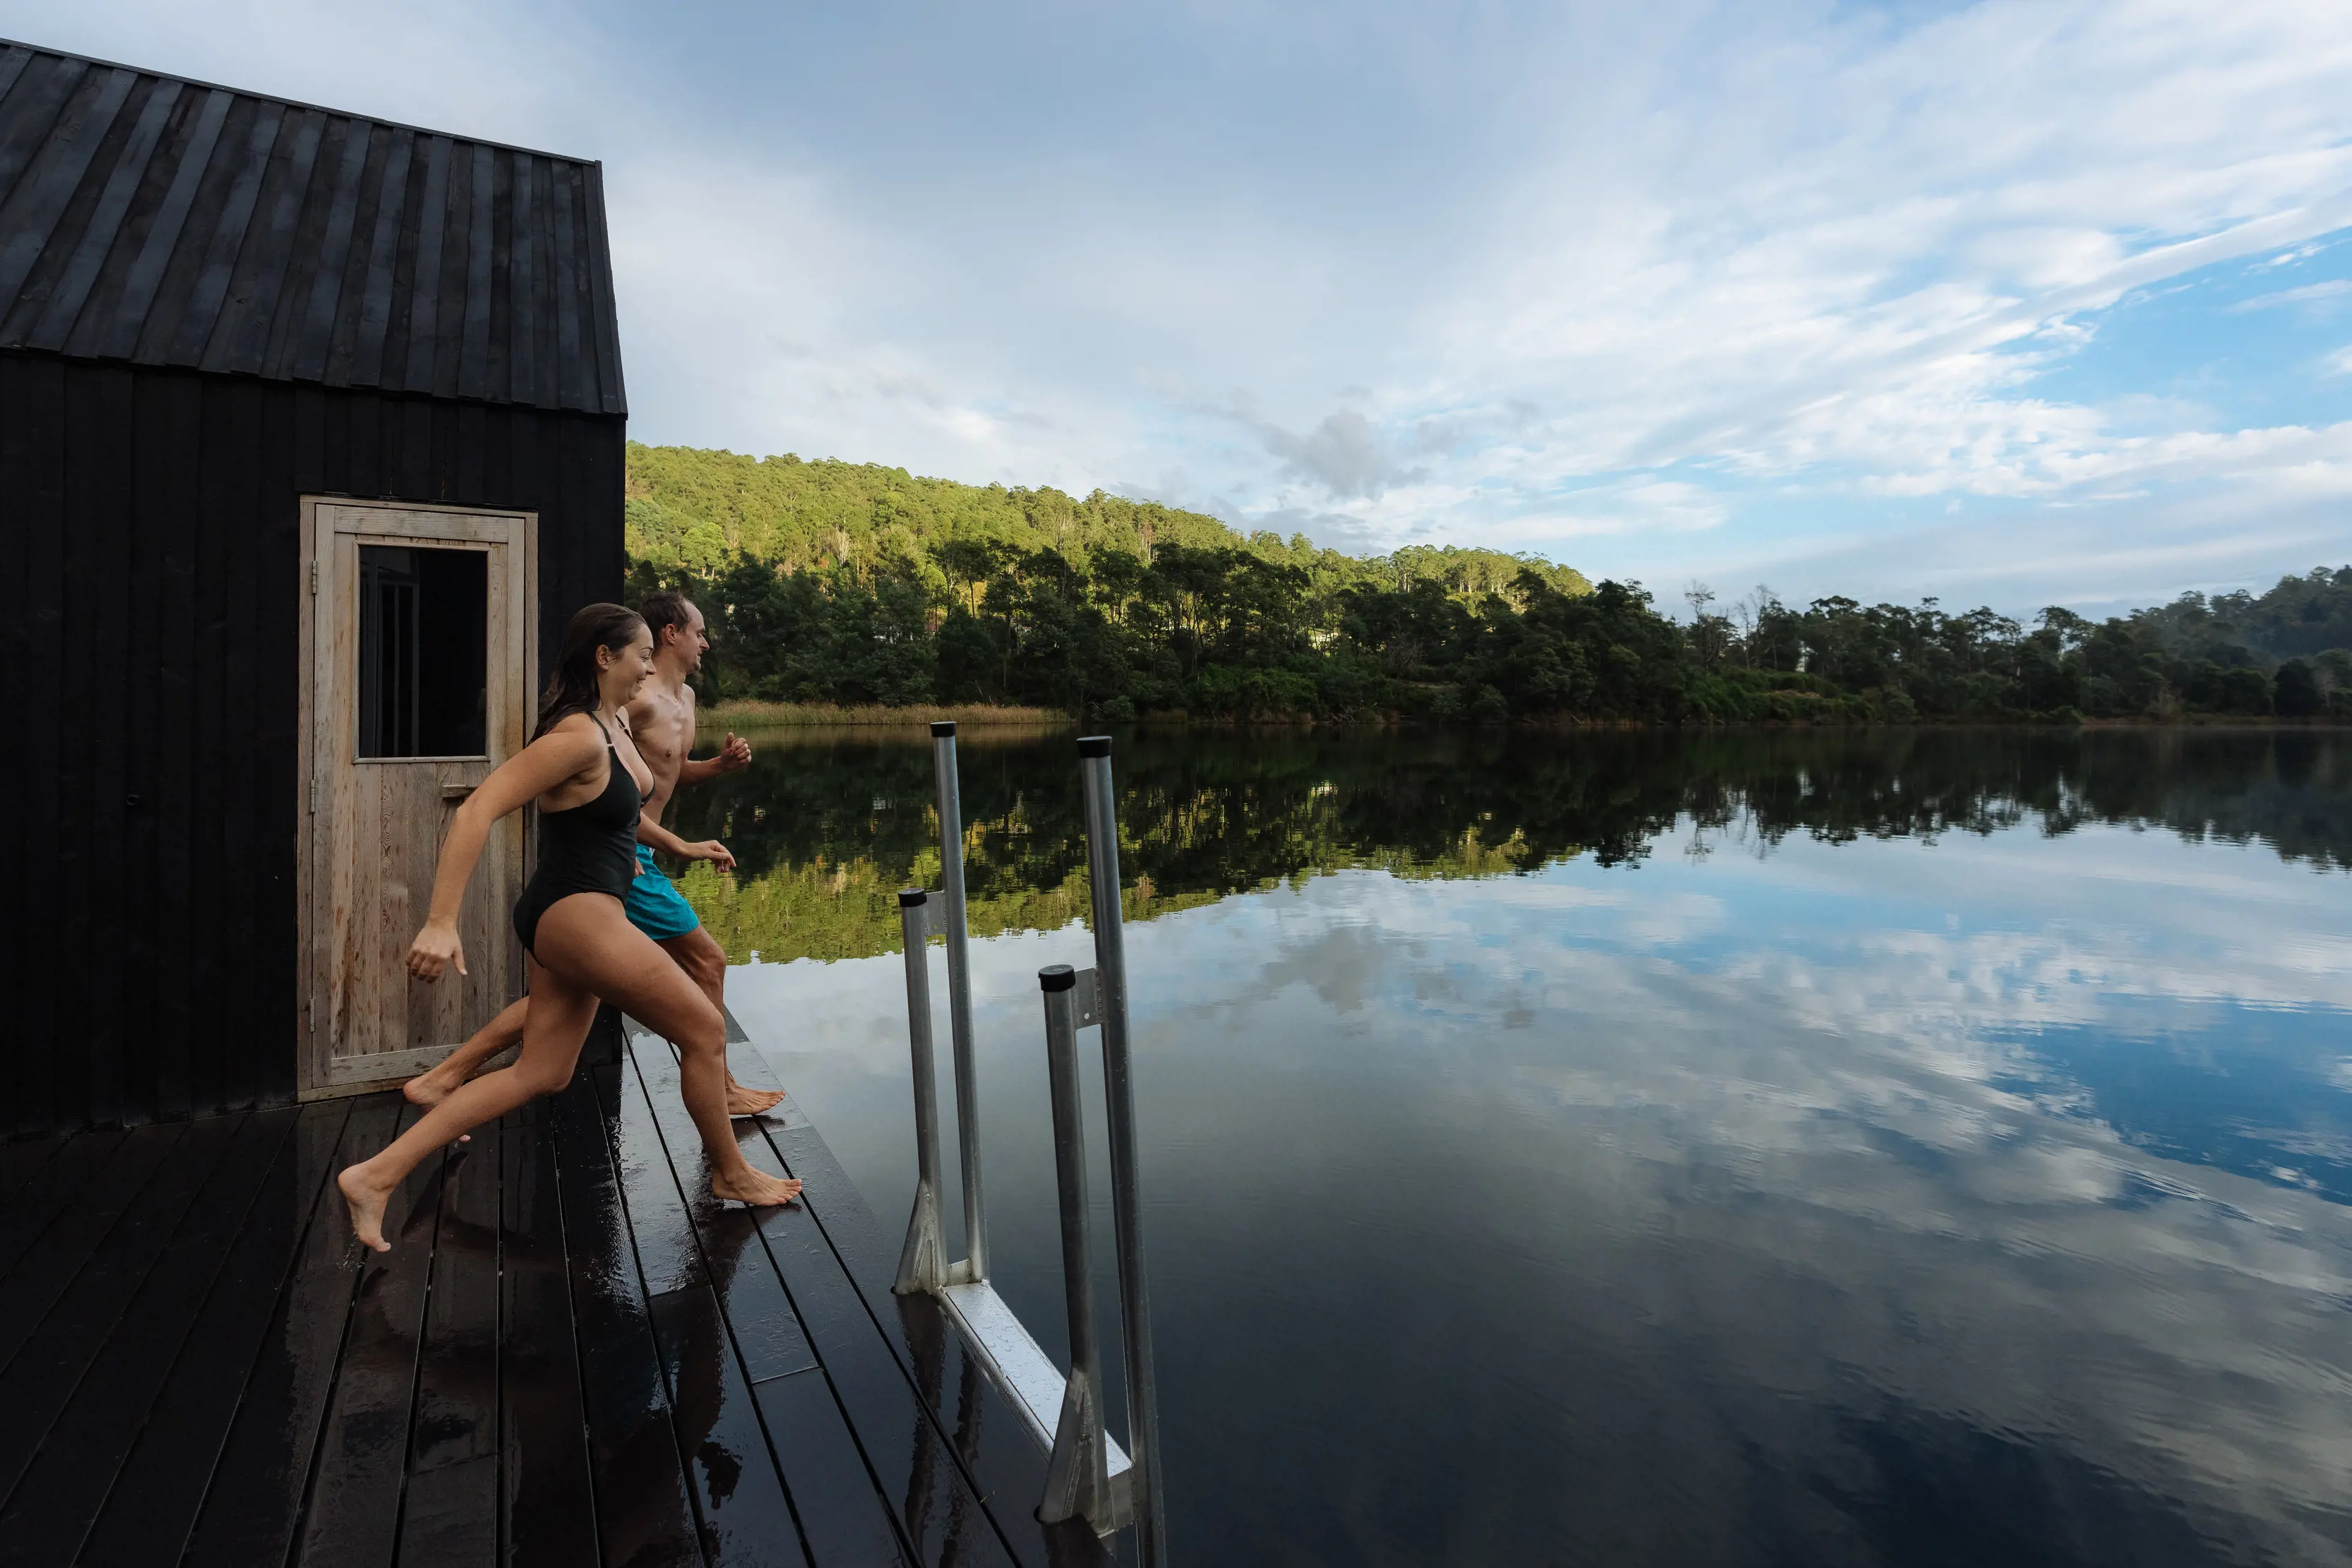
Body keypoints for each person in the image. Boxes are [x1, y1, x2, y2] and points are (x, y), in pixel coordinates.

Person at [339, 604, 801, 1252]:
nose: (649, 665)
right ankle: (730, 1173)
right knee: (703, 1027)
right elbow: (480, 808)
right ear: (604, 657)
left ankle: (374, 1174)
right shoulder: (577, 734)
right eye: (641, 653)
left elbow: (618, 814)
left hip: (584, 908)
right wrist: (441, 921)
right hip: (575, 909)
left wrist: (681, 846)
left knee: (544, 1072)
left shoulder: (612, 724)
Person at [403, 591, 783, 1119]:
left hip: (622, 856)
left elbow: (652, 780)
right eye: (697, 631)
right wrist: (441, 920)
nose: (705, 642)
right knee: (706, 969)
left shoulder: (676, 702)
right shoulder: (625, 705)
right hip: (610, 869)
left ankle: (437, 1087)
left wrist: (714, 772)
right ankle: (720, 1090)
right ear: (667, 634)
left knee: (557, 1033)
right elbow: (552, 783)